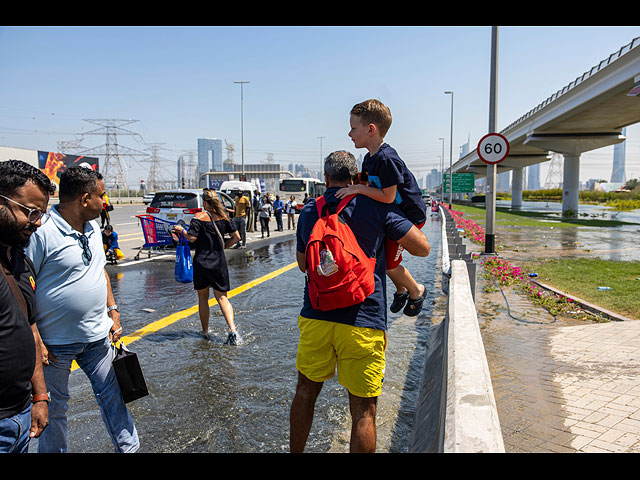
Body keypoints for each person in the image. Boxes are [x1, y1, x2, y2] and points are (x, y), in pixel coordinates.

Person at [289, 151, 430, 453]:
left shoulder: (311, 210)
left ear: (325, 178)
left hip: (316, 315)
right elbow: (423, 248)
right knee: (364, 412)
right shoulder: (376, 206)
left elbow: (303, 264)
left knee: (304, 393)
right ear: (357, 179)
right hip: (363, 320)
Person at [24, 166, 139, 453]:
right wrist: (35, 338)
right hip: (55, 346)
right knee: (55, 411)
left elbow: (100, 270)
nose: (106, 202)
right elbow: (23, 285)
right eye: (102, 196)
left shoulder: (94, 228)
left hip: (98, 338)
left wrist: (112, 310)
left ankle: (130, 449)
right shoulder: (43, 233)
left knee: (114, 397)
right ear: (85, 199)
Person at [337, 99, 428, 317]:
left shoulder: (387, 159)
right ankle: (400, 289)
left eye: (353, 128)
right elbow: (368, 186)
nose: (349, 134)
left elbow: (388, 196)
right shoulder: (369, 158)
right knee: (382, 258)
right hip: (393, 214)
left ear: (371, 129)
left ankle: (416, 291)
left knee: (389, 263)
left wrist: (357, 189)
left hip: (409, 217)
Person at [0, 160, 54, 453]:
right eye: (30, 212)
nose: (37, 222)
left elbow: (30, 330)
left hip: (20, 417)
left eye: (41, 213)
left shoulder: (21, 261)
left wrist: (40, 397)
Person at [172, 190, 241, 344]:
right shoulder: (224, 217)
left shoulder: (199, 217)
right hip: (219, 262)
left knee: (203, 297)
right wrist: (223, 246)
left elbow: (191, 237)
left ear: (204, 202)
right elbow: (237, 237)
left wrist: (181, 230)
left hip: (202, 262)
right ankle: (232, 329)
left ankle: (204, 330)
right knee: (222, 297)